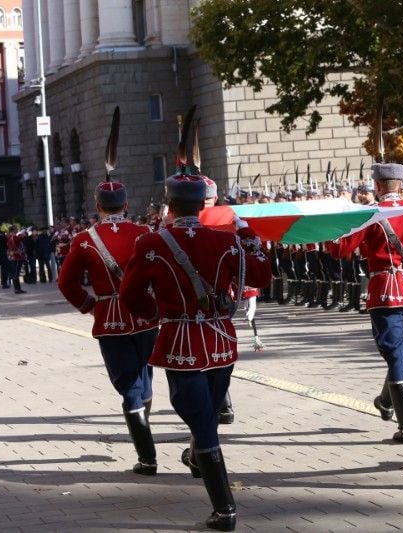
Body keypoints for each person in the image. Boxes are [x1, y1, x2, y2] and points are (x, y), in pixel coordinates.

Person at [121, 173, 271, 531]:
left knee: (203, 424)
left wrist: (156, 314)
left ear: (169, 205)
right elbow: (262, 275)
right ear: (205, 204)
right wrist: (247, 233)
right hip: (220, 340)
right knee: (207, 415)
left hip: (181, 339)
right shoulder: (227, 241)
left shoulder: (151, 242)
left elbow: (130, 296)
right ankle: (198, 460)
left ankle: (225, 510)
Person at [328, 163, 403, 444]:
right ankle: (387, 402)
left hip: (386, 291)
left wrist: (330, 225)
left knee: (397, 355)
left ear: (377, 186)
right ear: (400, 184)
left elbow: (340, 249)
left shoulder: (369, 214)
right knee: (402, 354)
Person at [58, 182, 160, 475]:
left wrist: (89, 304)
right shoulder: (144, 234)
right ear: (126, 205)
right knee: (144, 375)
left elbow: (66, 283)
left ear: (98, 206)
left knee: (129, 386)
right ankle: (145, 434)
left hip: (110, 317)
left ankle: (147, 457)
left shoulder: (84, 240)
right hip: (144, 315)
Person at [5, 226, 27, 294]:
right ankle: (17, 289)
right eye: (16, 229)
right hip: (16, 257)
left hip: (12, 257)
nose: (17, 230)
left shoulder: (9, 236)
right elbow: (19, 238)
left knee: (15, 273)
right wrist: (23, 232)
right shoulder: (13, 237)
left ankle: (17, 288)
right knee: (16, 273)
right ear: (13, 230)